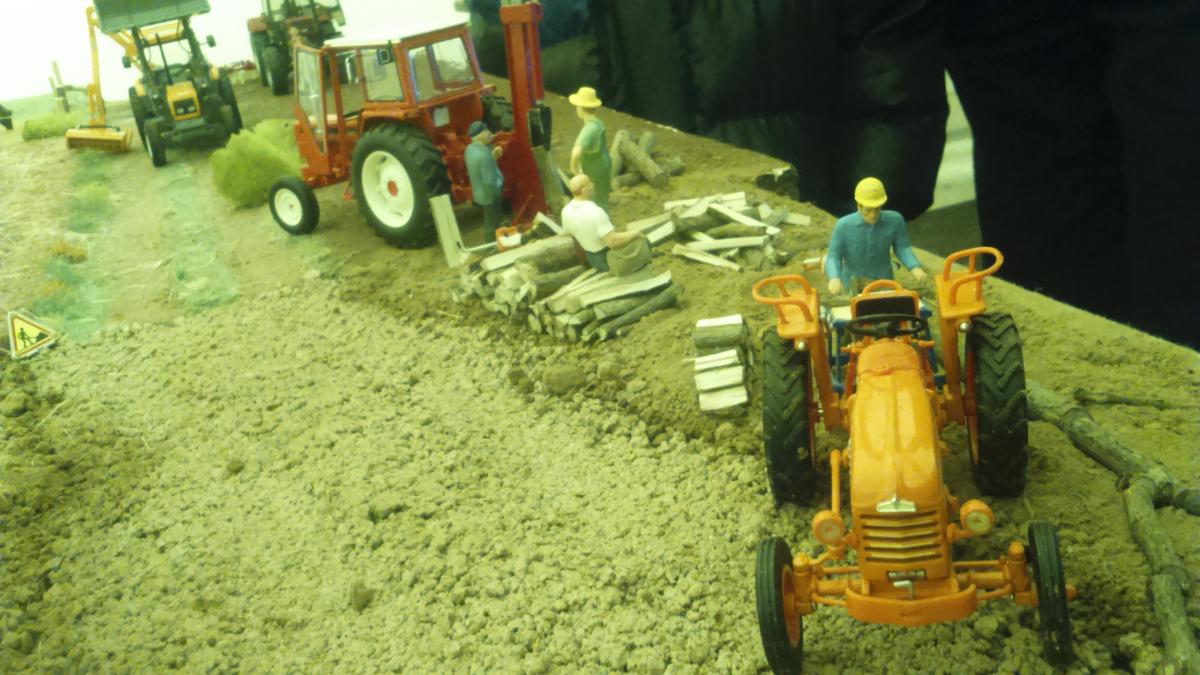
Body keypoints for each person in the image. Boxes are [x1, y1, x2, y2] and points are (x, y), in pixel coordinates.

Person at [825, 177, 926, 296]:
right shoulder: (843, 225)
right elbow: (834, 256)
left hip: (883, 280)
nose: (873, 215)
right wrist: (834, 277)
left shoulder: (895, 221)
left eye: (877, 209)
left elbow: (902, 248)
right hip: (853, 281)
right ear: (858, 206)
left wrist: (914, 267)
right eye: (868, 210)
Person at [562, 174, 639, 272]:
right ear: (584, 190)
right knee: (641, 241)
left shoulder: (566, 211)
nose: (593, 185)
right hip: (606, 258)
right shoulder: (595, 211)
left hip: (590, 257)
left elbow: (570, 236)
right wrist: (635, 233)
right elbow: (613, 242)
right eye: (590, 183)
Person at [567, 86, 612, 214]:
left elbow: (576, 152)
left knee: (599, 202)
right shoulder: (597, 123)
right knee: (600, 199)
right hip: (601, 165)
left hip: (595, 170)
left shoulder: (590, 129)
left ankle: (604, 224)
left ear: (580, 108)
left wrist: (574, 169)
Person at [464, 119, 505, 243]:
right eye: (486, 131)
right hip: (490, 194)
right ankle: (491, 244)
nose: (489, 133)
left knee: (490, 220)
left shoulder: (470, 150)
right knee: (493, 221)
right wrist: (497, 192)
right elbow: (489, 181)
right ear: (480, 136)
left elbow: (482, 168)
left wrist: (492, 157)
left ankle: (494, 240)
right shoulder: (483, 157)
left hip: (480, 193)